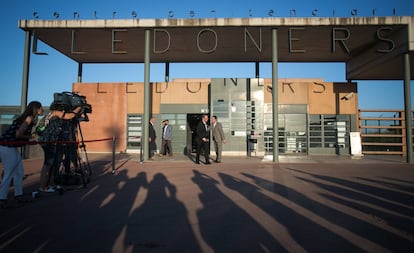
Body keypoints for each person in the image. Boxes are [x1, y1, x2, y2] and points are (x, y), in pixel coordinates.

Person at [0, 101, 43, 208]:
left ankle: (18, 195)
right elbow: (18, 134)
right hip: (6, 146)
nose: (42, 109)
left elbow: (19, 135)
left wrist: (29, 140)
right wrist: (30, 137)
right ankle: (2, 198)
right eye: (41, 107)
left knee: (19, 171)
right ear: (36, 109)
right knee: (9, 173)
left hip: (10, 147)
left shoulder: (29, 118)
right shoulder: (29, 118)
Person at [38, 103, 81, 192]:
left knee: (52, 164)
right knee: (48, 164)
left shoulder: (50, 114)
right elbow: (69, 116)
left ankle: (50, 184)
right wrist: (79, 108)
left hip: (50, 141)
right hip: (49, 141)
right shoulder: (56, 112)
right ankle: (43, 187)